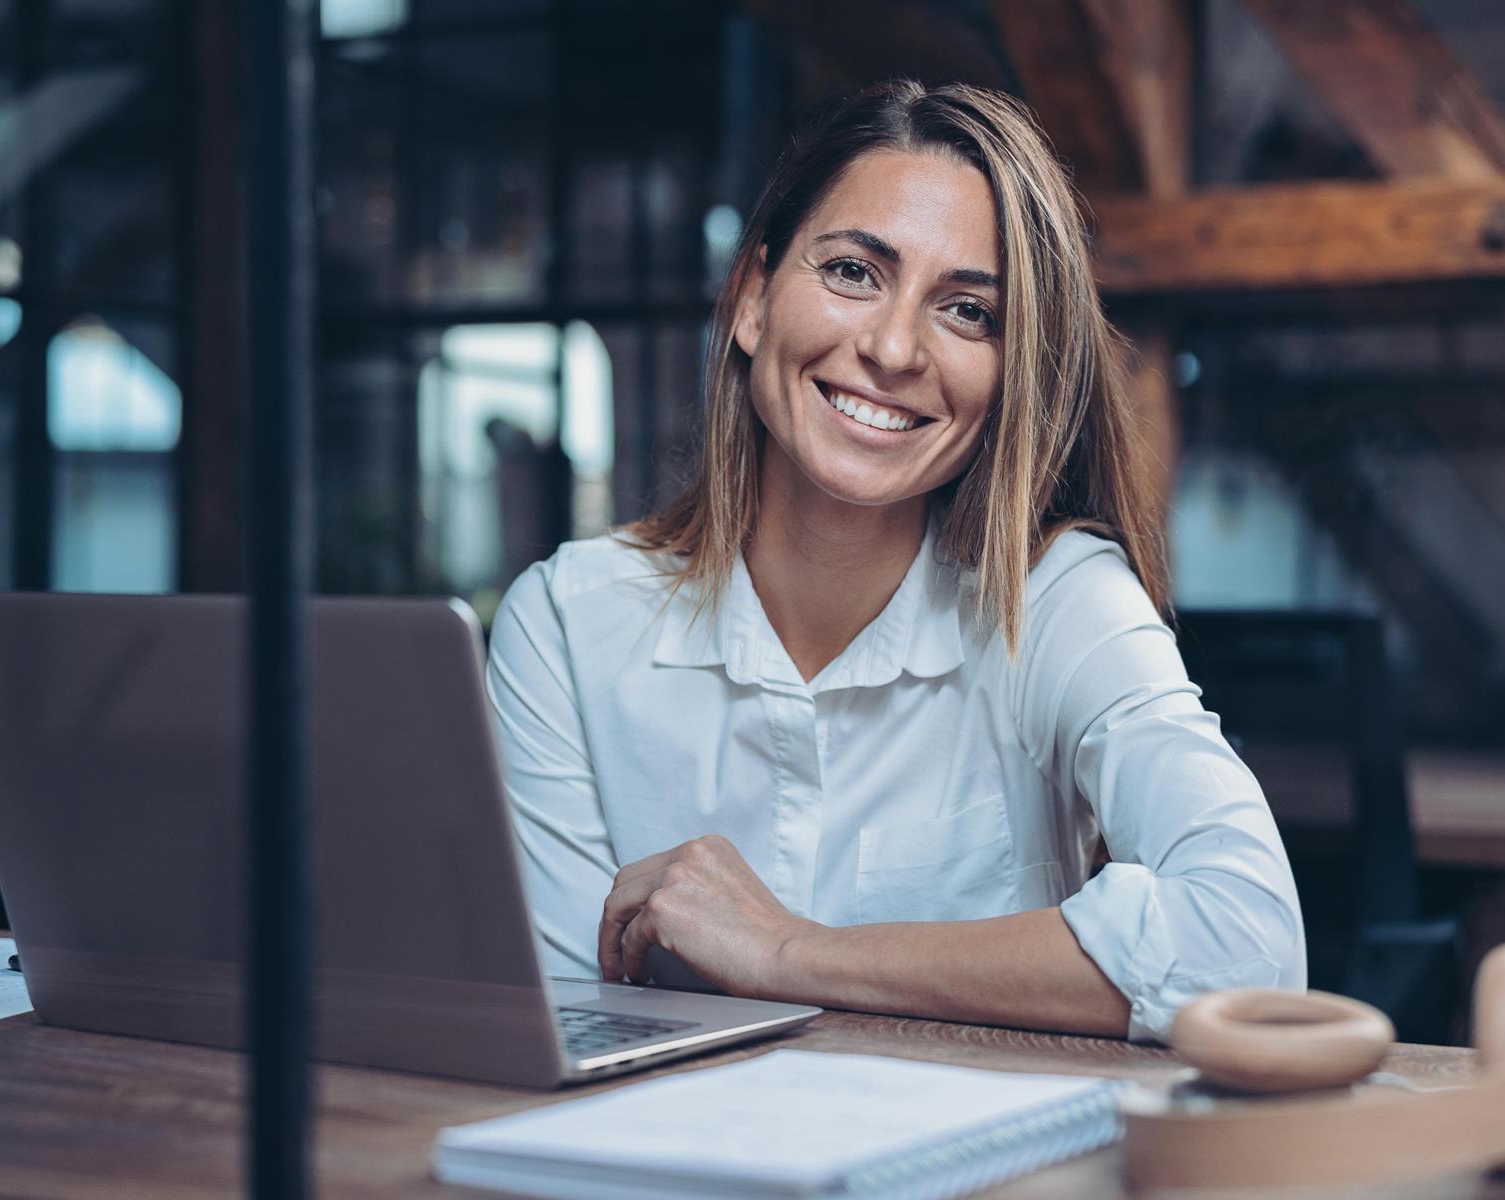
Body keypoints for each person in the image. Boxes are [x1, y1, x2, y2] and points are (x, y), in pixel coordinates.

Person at [485, 79, 1304, 1042]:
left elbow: (1250, 947)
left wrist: (788, 953)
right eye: (852, 273)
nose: (893, 346)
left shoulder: (1058, 602)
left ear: (1013, 375)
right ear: (751, 301)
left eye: (967, 312)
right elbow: (562, 1025)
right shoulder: (567, 622)